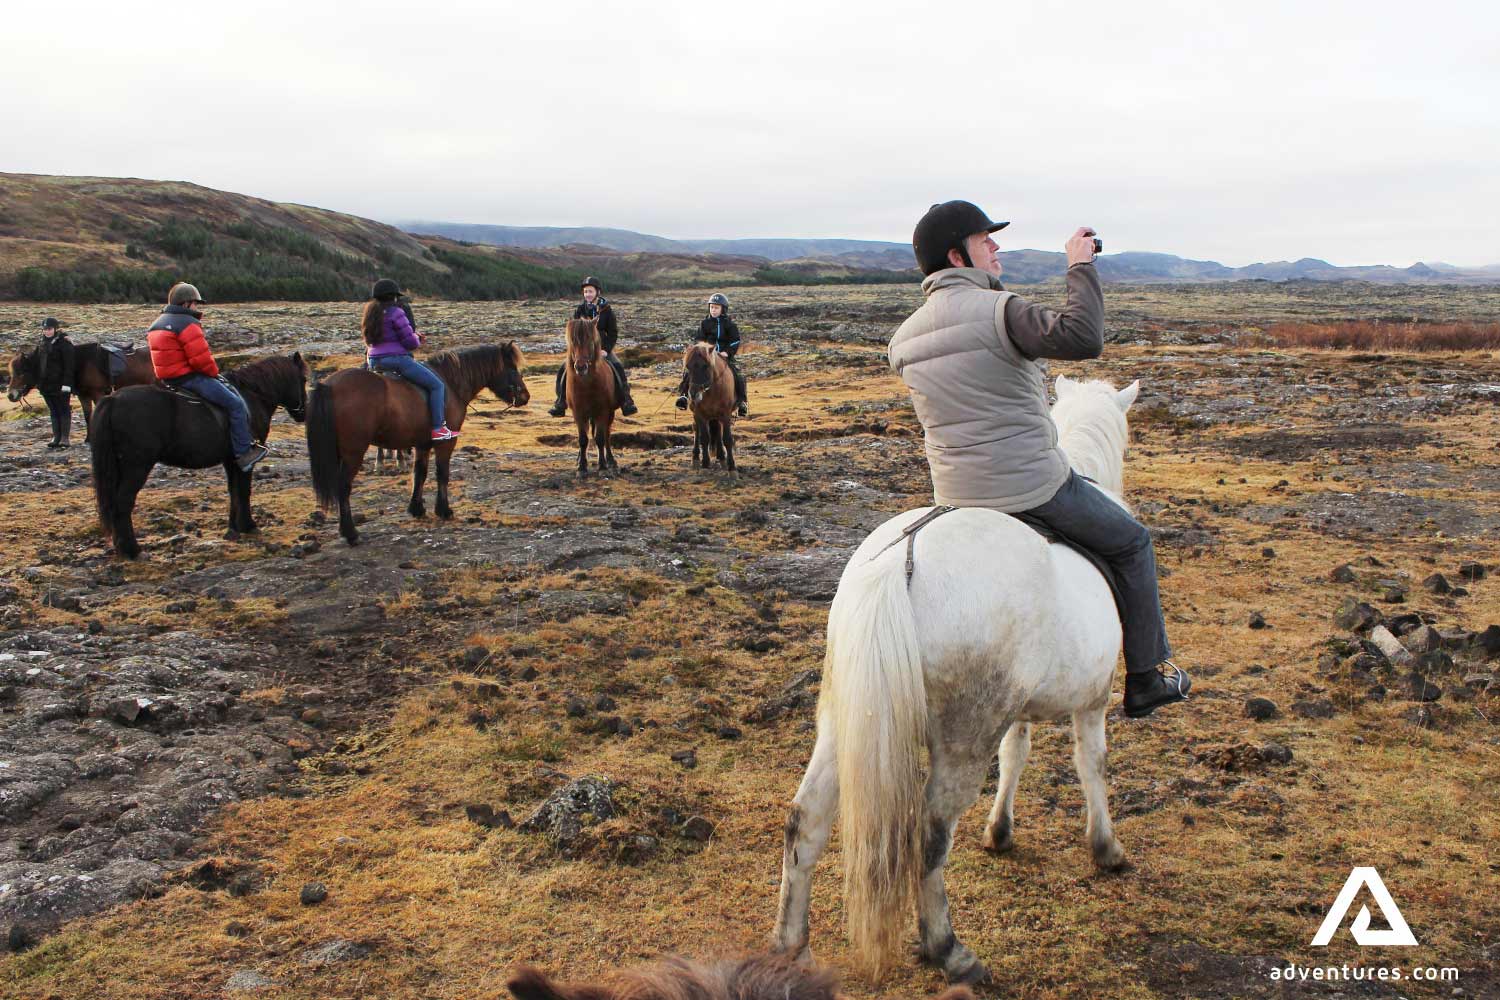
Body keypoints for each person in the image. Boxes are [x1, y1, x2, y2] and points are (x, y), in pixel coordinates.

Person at [888, 200, 1190, 718]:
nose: (997, 247)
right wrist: (1080, 266)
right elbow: (1083, 337)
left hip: (956, 496)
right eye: (986, 240)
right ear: (958, 256)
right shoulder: (1003, 311)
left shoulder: (903, 340)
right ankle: (1147, 676)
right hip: (1033, 488)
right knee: (1132, 542)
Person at [147, 283, 269, 471]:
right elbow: (200, 360)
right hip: (189, 378)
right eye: (196, 304)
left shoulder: (157, 324)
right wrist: (214, 373)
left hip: (167, 379)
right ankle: (243, 452)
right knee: (235, 404)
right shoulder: (188, 324)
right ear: (186, 303)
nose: (197, 307)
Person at [363, 278, 457, 441]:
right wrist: (418, 338)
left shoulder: (371, 312)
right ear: (393, 297)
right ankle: (438, 428)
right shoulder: (396, 312)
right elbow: (409, 342)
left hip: (373, 360)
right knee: (437, 386)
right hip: (396, 360)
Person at [548, 276, 638, 417]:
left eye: (590, 291)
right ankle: (560, 401)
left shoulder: (607, 310)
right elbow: (573, 332)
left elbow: (613, 333)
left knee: (618, 367)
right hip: (582, 350)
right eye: (585, 292)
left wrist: (606, 350)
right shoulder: (580, 310)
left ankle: (626, 401)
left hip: (601, 349)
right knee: (563, 370)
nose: (587, 294)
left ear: (597, 292)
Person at [676, 293, 748, 416]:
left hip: (724, 356)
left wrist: (727, 352)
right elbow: (699, 340)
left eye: (716, 308)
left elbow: (735, 340)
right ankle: (683, 396)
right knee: (689, 372)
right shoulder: (704, 323)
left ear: (723, 309)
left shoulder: (730, 325)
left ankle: (742, 402)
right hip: (706, 357)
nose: (713, 310)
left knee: (739, 374)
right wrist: (704, 351)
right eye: (712, 307)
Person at [36, 317, 76, 449]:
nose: (47, 332)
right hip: (46, 384)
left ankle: (65, 438)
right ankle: (56, 437)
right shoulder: (41, 343)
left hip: (61, 384)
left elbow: (69, 365)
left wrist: (67, 383)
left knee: (64, 409)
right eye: (45, 329)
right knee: (53, 410)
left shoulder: (64, 344)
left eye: (49, 329)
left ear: (55, 329)